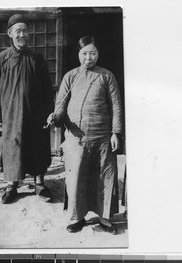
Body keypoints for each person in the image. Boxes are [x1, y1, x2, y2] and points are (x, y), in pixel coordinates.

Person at [47, 35, 123, 234]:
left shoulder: (107, 76)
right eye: (84, 54)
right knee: (76, 178)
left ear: (98, 54)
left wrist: (116, 132)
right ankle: (77, 217)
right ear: (78, 54)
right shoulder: (70, 76)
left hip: (102, 137)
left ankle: (105, 218)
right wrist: (55, 118)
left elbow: (116, 106)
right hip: (76, 138)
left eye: (92, 53)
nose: (88, 58)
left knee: (104, 177)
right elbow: (60, 106)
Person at [0, 14, 54, 204]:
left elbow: (47, 88)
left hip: (36, 114)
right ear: (10, 33)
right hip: (12, 114)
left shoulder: (37, 58)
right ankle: (12, 185)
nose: (22, 34)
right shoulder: (3, 58)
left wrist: (49, 112)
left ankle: (39, 183)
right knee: (13, 147)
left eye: (24, 31)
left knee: (37, 145)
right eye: (18, 31)